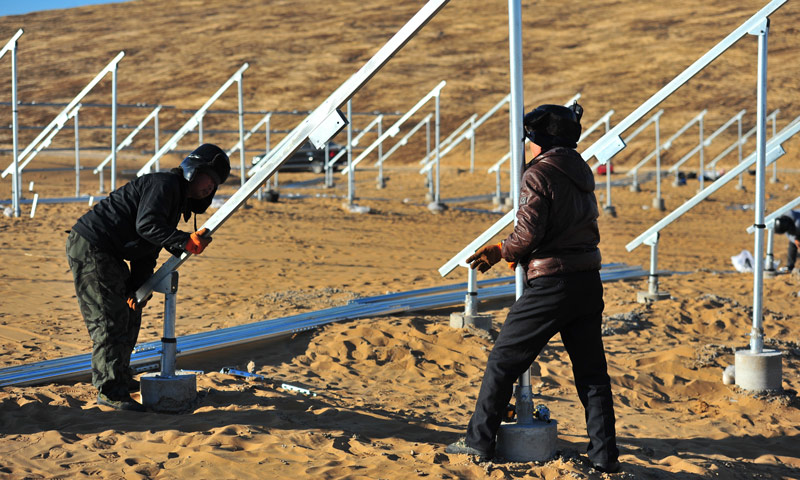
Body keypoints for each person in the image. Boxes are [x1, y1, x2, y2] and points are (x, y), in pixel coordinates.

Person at [445, 104, 620, 473]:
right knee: (591, 375)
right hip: (588, 280)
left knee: (503, 360)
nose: (524, 146)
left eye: (527, 140)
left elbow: (527, 234)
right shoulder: (580, 171)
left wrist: (500, 251)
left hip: (552, 284)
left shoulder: (538, 174)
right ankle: (605, 457)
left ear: (538, 140)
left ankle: (478, 443)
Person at [66, 143, 230, 412]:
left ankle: (119, 374)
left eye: (216, 185)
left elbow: (147, 249)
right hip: (92, 246)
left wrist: (139, 285)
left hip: (111, 253)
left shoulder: (175, 201)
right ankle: (110, 390)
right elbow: (148, 226)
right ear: (193, 170)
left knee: (131, 311)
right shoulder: (164, 184)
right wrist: (183, 240)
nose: (210, 187)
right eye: (209, 179)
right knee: (109, 318)